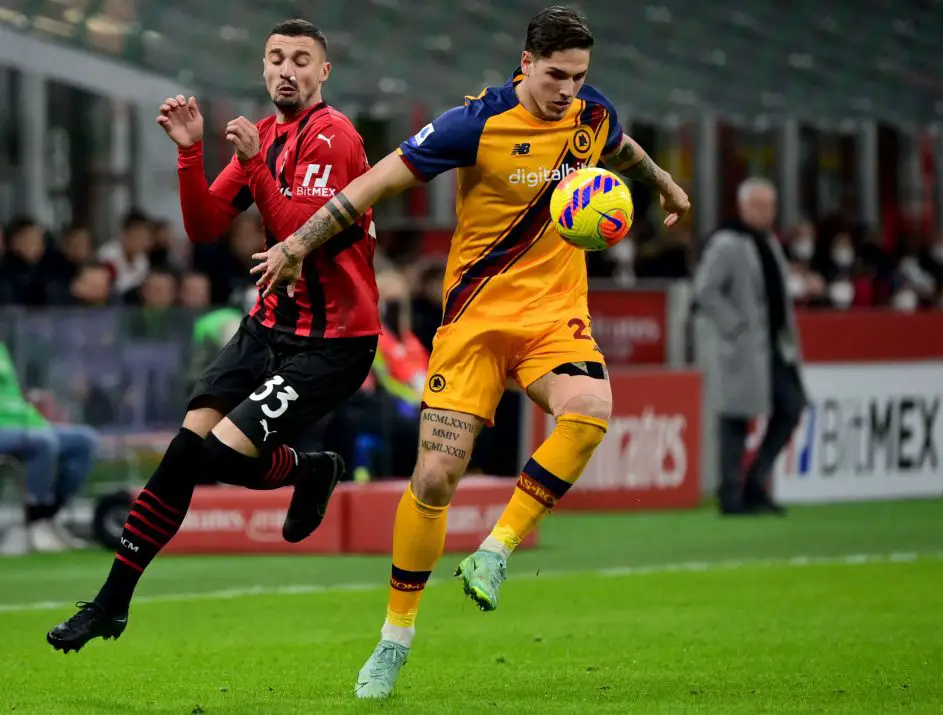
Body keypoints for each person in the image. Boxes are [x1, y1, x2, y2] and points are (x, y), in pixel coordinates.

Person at [252, 5, 690, 699]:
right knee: (433, 480)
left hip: (553, 317)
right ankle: (395, 640)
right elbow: (376, 182)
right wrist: (298, 243)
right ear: (525, 64)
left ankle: (495, 550)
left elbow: (620, 143)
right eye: (555, 75)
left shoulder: (590, 112)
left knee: (591, 410)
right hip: (475, 324)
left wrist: (662, 183)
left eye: (578, 76)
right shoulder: (473, 123)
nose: (568, 90)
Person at [46, 18, 380, 653]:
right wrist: (191, 152)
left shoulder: (333, 138)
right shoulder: (270, 134)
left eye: (301, 59)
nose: (287, 69)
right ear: (262, 67)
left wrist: (254, 166)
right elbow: (202, 227)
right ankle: (111, 604)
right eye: (276, 57)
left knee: (223, 457)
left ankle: (311, 470)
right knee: (183, 453)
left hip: (333, 339)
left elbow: (297, 242)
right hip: (269, 326)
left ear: (323, 72)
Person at [694, 177, 806, 516]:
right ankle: (730, 493)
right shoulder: (727, 243)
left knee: (791, 406)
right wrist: (736, 327)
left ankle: (756, 480)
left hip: (774, 346)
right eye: (759, 205)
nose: (766, 212)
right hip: (744, 347)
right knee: (735, 419)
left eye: (770, 205)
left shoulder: (768, 241)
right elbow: (705, 291)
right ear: (743, 206)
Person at [0, 341, 99, 555]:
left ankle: (49, 516)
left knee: (84, 441)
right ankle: (34, 521)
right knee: (42, 442)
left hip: (28, 424)